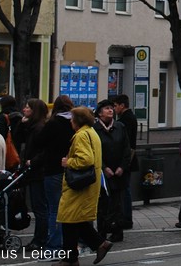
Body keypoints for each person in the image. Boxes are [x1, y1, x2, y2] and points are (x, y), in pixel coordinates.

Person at [59, 105, 111, 266]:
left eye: (72, 119)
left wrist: (69, 162)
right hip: (89, 184)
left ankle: (71, 258)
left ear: (77, 121)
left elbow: (85, 159)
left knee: (68, 219)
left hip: (79, 185)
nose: (70, 122)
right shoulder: (92, 133)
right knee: (76, 220)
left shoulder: (81, 135)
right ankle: (97, 245)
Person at [31, 95, 74, 255]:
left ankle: (54, 245)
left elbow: (39, 141)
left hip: (52, 170)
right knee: (69, 209)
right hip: (71, 170)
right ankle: (69, 243)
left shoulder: (53, 123)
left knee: (54, 209)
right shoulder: (75, 123)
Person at [93, 99, 130, 242]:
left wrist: (122, 166)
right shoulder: (95, 129)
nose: (111, 110)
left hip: (119, 171)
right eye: (107, 108)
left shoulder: (120, 127)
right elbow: (94, 152)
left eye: (112, 108)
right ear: (100, 112)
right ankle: (101, 232)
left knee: (117, 204)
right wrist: (104, 167)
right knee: (102, 204)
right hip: (103, 173)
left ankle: (117, 231)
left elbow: (127, 149)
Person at [15, 98, 50, 250]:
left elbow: (44, 150)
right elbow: (17, 139)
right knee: (38, 207)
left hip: (38, 173)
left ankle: (40, 240)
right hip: (33, 172)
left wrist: (33, 161)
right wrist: (21, 125)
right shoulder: (32, 127)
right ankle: (40, 238)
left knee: (40, 207)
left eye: (28, 108)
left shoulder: (39, 128)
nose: (24, 109)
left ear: (34, 111)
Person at [111, 95, 137, 232]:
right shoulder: (129, 117)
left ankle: (126, 218)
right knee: (124, 189)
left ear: (122, 105)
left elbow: (124, 143)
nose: (114, 109)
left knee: (124, 190)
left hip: (125, 160)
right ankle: (125, 217)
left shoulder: (125, 120)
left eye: (115, 106)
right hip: (128, 159)